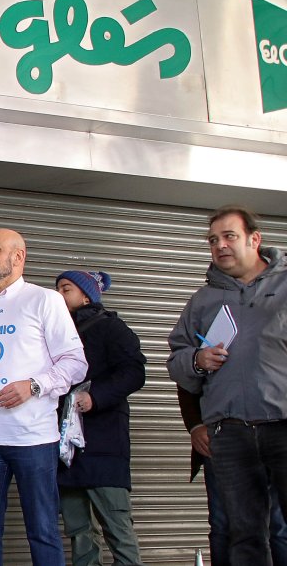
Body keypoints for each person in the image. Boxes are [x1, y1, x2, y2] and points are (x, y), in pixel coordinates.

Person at [0, 228, 87, 566]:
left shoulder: (45, 300)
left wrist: (34, 385)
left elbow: (75, 363)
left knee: (42, 530)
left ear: (18, 257)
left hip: (33, 439)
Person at [167, 205, 287, 565]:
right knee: (243, 534)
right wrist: (196, 360)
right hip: (230, 433)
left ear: (255, 239)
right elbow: (176, 360)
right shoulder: (203, 300)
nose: (219, 245)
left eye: (229, 236)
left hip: (283, 426)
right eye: (213, 240)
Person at [53, 270, 146, 566]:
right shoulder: (53, 335)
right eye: (56, 290)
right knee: (78, 530)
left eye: (66, 289)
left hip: (104, 445)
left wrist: (96, 397)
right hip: (66, 451)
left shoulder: (111, 328)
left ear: (86, 295)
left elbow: (134, 372)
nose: (59, 296)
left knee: (117, 527)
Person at [178, 386, 287, 565]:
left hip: (277, 432)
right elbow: (184, 373)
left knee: (280, 526)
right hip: (224, 436)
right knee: (225, 524)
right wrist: (195, 425)